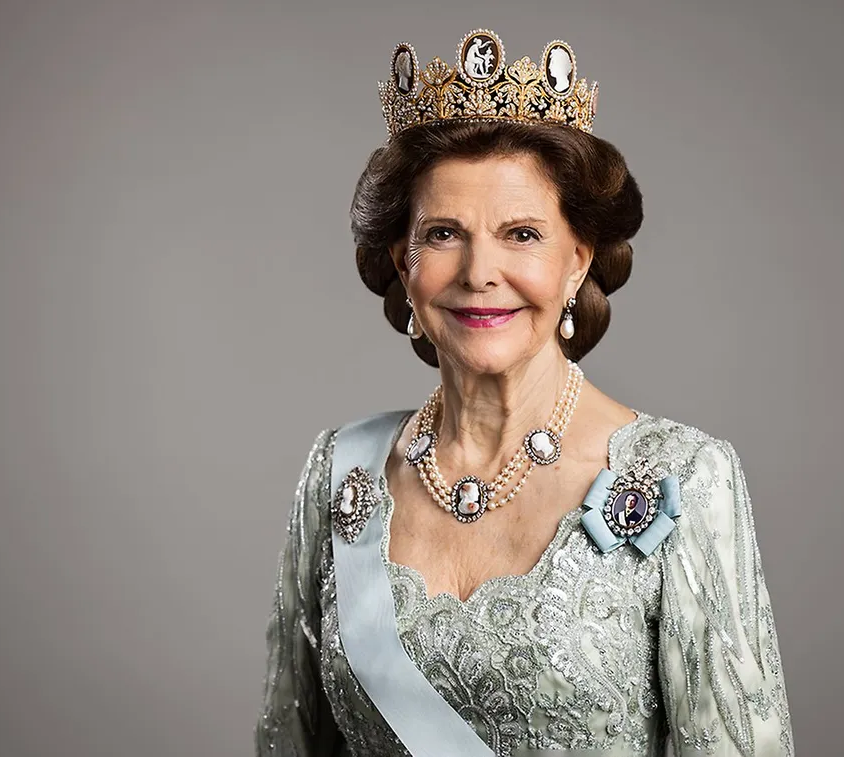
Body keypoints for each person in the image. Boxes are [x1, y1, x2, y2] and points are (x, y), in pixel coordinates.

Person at [254, 28, 794, 757]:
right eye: (443, 233)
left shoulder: (685, 478)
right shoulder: (339, 474)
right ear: (402, 262)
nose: (480, 271)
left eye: (522, 234)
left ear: (578, 261)